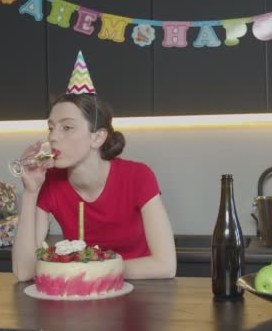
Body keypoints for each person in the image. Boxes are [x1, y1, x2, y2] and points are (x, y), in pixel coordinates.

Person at [12, 52, 176, 282]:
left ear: (97, 138)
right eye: (51, 127)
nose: (53, 137)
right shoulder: (49, 182)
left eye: (67, 127)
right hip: (83, 296)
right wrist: (30, 191)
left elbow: (165, 266)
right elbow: (24, 272)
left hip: (139, 294)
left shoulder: (138, 176)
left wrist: (94, 270)